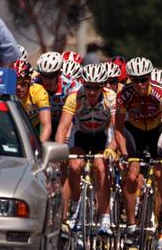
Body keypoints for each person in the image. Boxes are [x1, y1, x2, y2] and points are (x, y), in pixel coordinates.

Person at [114, 57, 162, 244]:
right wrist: (125, 154)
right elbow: (118, 129)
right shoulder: (123, 96)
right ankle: (132, 226)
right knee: (132, 175)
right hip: (134, 132)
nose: (140, 84)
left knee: (161, 173)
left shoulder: (160, 94)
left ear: (150, 77)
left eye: (144, 79)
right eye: (136, 80)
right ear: (130, 80)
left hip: (156, 132)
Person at [56, 64, 121, 238]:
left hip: (102, 135)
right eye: (88, 86)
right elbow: (63, 127)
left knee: (101, 166)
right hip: (81, 135)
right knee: (75, 165)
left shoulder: (111, 97)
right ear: (83, 84)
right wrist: (59, 151)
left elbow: (118, 128)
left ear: (103, 86)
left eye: (96, 87)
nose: (92, 91)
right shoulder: (74, 97)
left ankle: (105, 217)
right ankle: (76, 205)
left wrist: (111, 149)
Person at [10, 60, 51, 141]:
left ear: (29, 81)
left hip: (34, 127)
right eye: (14, 82)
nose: (18, 87)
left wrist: (40, 149)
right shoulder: (4, 92)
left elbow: (46, 126)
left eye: (23, 83)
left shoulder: (38, 91)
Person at [33, 52, 67, 141]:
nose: (46, 80)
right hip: (40, 122)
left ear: (59, 73)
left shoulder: (69, 85)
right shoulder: (34, 83)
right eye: (43, 75)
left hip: (63, 122)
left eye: (51, 76)